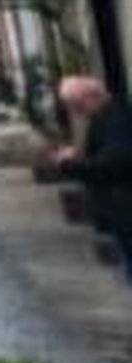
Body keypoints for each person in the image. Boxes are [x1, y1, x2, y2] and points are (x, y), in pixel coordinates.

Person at [36, 74, 132, 269]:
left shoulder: (116, 121)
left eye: (78, 106)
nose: (77, 112)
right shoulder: (106, 116)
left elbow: (112, 165)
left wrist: (69, 164)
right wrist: (78, 157)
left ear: (92, 96)